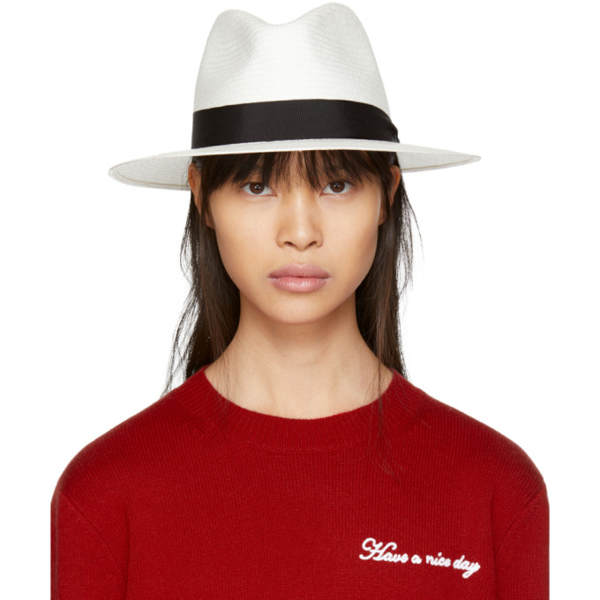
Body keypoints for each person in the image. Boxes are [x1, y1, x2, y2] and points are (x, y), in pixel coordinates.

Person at [51, 4, 549, 599]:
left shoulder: (495, 487)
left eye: (336, 184)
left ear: (387, 194)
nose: (300, 231)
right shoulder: (106, 495)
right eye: (256, 185)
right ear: (202, 196)